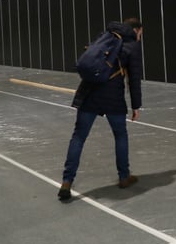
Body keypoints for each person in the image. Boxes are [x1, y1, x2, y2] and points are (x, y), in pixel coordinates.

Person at [58, 17, 144, 201]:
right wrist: (136, 105)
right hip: (113, 97)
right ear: (137, 30)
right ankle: (124, 177)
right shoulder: (132, 46)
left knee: (79, 137)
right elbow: (134, 79)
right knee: (120, 135)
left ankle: (66, 181)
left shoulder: (106, 35)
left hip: (90, 93)